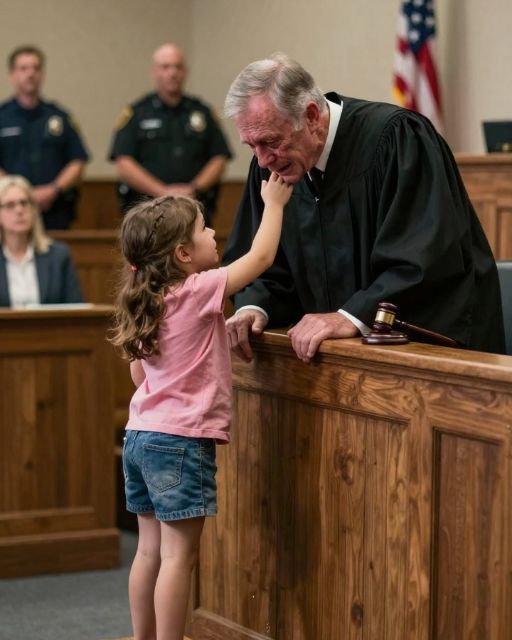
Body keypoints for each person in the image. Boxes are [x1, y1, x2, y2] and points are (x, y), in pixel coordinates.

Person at [222, 52, 506, 363]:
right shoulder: (272, 165)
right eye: (252, 146)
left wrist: (353, 315)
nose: (263, 160)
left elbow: (426, 258)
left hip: (433, 358)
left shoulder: (398, 139)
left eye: (271, 142)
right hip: (330, 366)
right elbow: (262, 260)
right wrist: (255, 307)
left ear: (312, 117)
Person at [108, 174, 291, 640]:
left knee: (148, 552)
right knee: (178, 557)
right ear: (183, 255)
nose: (213, 234)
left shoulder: (147, 301)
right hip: (180, 441)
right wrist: (273, 204)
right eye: (204, 229)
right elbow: (261, 258)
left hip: (139, 437)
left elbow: (141, 377)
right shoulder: (197, 290)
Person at [108, 42, 233, 226]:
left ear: (185, 72)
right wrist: (164, 192)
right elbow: (123, 163)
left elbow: (219, 158)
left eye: (178, 67)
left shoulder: (202, 112)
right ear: (154, 72)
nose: (172, 73)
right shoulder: (137, 113)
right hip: (147, 213)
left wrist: (193, 189)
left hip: (195, 210)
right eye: (165, 67)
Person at [0, 45, 90, 230]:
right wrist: (20, 193)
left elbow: (78, 161)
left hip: (54, 211)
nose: (30, 73)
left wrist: (53, 190)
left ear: (42, 74)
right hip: (10, 212)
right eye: (23, 68)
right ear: (12, 75)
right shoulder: (2, 117)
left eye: (36, 68)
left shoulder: (59, 116)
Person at [0, 175, 83, 307]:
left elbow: (76, 308)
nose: (19, 210)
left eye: (24, 203)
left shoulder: (59, 256)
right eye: (10, 205)